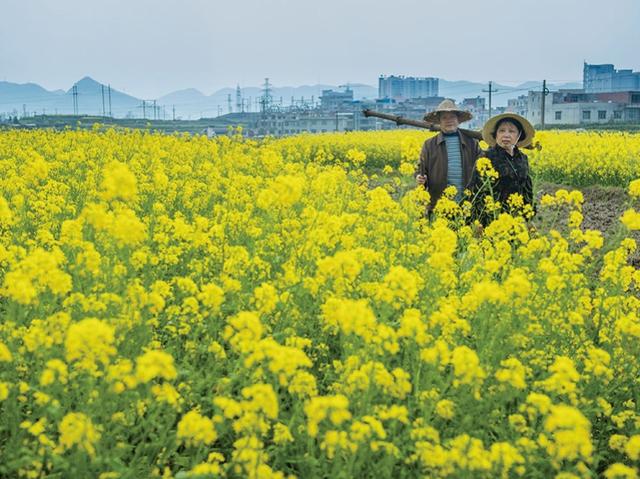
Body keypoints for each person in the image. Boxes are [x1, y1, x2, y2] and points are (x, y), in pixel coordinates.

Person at [415, 99, 483, 214]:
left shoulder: (472, 143)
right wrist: (419, 177)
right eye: (444, 118)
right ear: (439, 122)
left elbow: (483, 167)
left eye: (452, 117)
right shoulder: (429, 144)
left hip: (467, 205)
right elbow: (421, 169)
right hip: (439, 205)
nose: (449, 121)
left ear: (458, 120)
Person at [470, 112, 536, 225]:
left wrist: (530, 217)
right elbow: (475, 190)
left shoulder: (523, 158)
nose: (506, 135)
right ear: (496, 135)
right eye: (501, 131)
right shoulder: (486, 157)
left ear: (519, 135)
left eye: (511, 131)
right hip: (491, 220)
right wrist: (477, 222)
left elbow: (527, 191)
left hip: (516, 219)